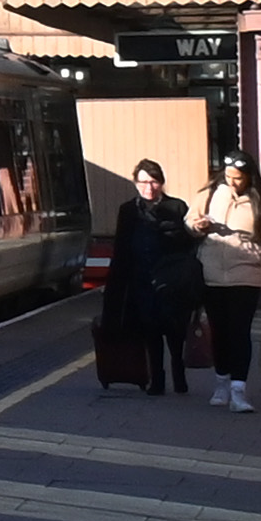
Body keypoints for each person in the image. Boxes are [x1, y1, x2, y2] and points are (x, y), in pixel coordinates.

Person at [192, 155, 261, 413]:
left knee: (239, 331)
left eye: (238, 178)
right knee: (219, 331)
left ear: (249, 178)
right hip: (211, 271)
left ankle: (238, 390)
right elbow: (190, 221)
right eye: (229, 177)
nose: (233, 183)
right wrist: (198, 226)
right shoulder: (210, 193)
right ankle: (221, 382)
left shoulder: (260, 202)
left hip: (246, 273)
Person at [103, 159, 201, 395]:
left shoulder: (177, 207)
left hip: (172, 282)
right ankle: (156, 379)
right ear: (135, 183)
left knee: (176, 331)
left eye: (154, 181)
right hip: (142, 280)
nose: (149, 187)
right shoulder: (128, 210)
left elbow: (190, 245)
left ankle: (179, 374)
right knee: (150, 331)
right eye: (144, 181)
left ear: (162, 182)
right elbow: (121, 247)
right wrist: (114, 286)